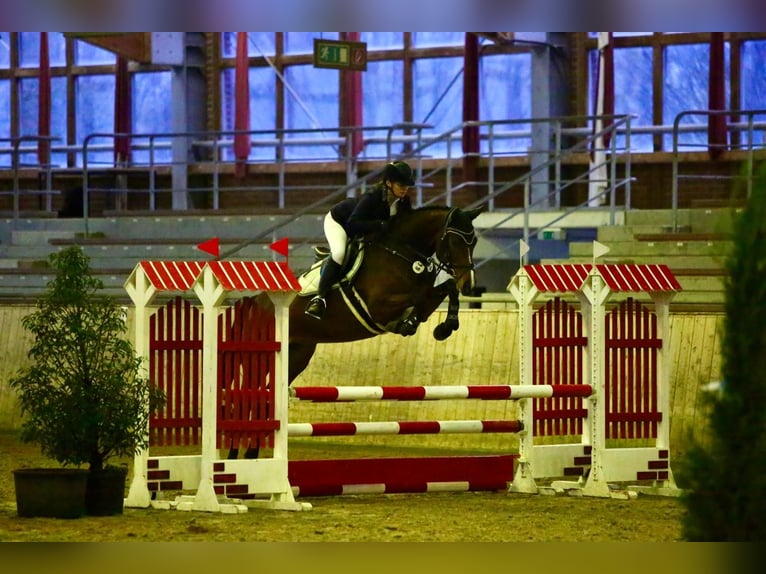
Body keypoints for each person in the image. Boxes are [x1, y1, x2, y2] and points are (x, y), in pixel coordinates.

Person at [305, 160, 416, 319]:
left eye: (407, 185)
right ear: (388, 183)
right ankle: (319, 298)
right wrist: (380, 225)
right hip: (340, 222)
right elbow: (352, 225)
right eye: (401, 184)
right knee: (339, 253)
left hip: (364, 229)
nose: (405, 189)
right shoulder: (373, 196)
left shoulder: (404, 202)